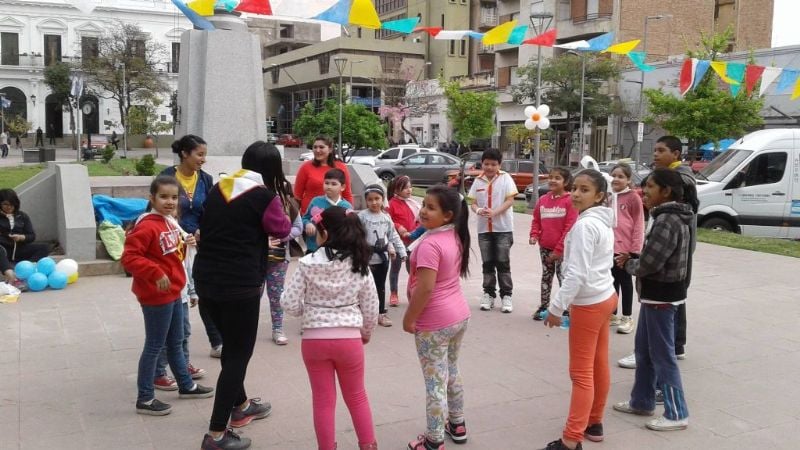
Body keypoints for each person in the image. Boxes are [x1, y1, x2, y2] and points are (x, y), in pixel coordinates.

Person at [193, 141, 291, 450]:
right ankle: (217, 434)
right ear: (272, 169)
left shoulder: (218, 187)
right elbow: (283, 229)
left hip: (206, 281)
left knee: (232, 350)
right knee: (237, 357)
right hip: (240, 286)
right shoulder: (264, 196)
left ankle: (242, 405)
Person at [281, 206, 380, 450]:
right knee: (357, 397)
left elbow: (289, 303)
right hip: (349, 341)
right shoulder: (360, 265)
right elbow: (371, 307)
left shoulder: (306, 263)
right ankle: (368, 445)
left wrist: (310, 313)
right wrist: (365, 333)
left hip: (314, 341)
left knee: (323, 401)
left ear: (325, 233)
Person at [121, 176, 215, 417]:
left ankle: (186, 384)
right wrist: (155, 272)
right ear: (152, 198)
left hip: (174, 291)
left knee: (176, 341)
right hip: (156, 296)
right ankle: (145, 398)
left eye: (174, 197)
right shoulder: (148, 225)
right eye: (163, 196)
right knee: (154, 345)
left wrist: (188, 241)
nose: (170, 201)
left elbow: (170, 252)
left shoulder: (170, 222)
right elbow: (130, 258)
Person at [541, 170, 618, 450]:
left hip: (589, 303)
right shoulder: (599, 220)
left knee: (581, 373)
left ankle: (571, 439)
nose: (575, 193)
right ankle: (593, 422)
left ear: (599, 196)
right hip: (604, 296)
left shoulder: (587, 225)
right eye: (574, 188)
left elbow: (575, 274)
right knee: (598, 363)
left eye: (584, 190)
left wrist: (556, 307)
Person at [613, 169, 692, 432]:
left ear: (666, 191)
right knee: (644, 351)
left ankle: (677, 412)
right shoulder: (666, 216)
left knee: (662, 355)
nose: (644, 192)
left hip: (662, 296)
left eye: (650, 187)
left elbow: (651, 263)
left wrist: (628, 263)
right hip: (655, 295)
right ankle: (642, 401)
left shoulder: (668, 219)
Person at [618, 136, 698, 368]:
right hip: (667, 270)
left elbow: (649, 265)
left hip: (663, 279)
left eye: (661, 150)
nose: (655, 154)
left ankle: (664, 356)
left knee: (661, 323)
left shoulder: (677, 187)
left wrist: (630, 264)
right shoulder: (667, 209)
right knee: (672, 304)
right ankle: (671, 347)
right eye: (654, 150)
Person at [403, 185, 471, 450]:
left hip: (435, 323)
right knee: (451, 372)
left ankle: (434, 440)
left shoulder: (431, 244)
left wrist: (410, 318)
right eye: (424, 205)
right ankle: (457, 423)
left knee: (435, 382)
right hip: (458, 316)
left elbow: (426, 288)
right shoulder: (455, 235)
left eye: (431, 208)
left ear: (448, 215)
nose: (423, 211)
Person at [159, 135, 223, 362]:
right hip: (174, 248)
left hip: (199, 246)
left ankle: (216, 341)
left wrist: (202, 230)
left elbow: (212, 210)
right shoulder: (167, 176)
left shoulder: (205, 179)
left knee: (205, 292)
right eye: (199, 154)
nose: (203, 159)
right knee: (178, 300)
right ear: (185, 154)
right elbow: (158, 211)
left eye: (205, 154)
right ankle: (168, 360)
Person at [260, 142, 302, 346]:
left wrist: (283, 236)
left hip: (279, 258)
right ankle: (246, 330)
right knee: (253, 295)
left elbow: (298, 227)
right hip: (257, 256)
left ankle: (278, 328)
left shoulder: (290, 204)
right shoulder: (258, 200)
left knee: (276, 294)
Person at [468, 148, 518, 313]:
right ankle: (488, 294)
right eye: (486, 164)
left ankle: (506, 295)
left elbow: (510, 200)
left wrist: (494, 213)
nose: (489, 167)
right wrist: (478, 210)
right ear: (482, 164)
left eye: (493, 164)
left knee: (503, 263)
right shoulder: (478, 181)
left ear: (499, 165)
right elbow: (473, 202)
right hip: (484, 230)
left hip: (503, 228)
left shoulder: (506, 178)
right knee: (487, 264)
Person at [530, 168, 578, 321]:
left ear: (566, 182)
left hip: (563, 250)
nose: (552, 180)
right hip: (544, 247)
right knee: (546, 276)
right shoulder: (543, 199)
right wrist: (534, 235)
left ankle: (565, 309)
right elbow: (536, 220)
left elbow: (569, 228)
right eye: (551, 177)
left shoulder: (570, 201)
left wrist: (558, 250)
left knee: (563, 277)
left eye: (557, 178)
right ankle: (544, 306)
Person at [358, 184, 407, 327]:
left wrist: (401, 252)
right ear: (366, 201)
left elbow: (393, 236)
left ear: (382, 199)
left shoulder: (386, 218)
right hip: (365, 258)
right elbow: (356, 236)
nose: (374, 202)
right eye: (370, 199)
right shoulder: (362, 217)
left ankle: (381, 314)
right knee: (364, 287)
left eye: (377, 199)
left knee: (380, 286)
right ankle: (362, 314)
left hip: (382, 259)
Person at [609, 163, 644, 334]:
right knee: (612, 281)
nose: (616, 179)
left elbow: (638, 224)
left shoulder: (632, 197)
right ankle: (613, 314)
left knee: (625, 282)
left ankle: (627, 317)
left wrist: (634, 250)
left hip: (625, 249)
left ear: (629, 180)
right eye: (614, 175)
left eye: (621, 176)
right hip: (609, 247)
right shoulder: (609, 196)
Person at [0, 188, 51, 289]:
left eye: (12, 204)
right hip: (3, 250)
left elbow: (31, 235)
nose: (9, 207)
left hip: (19, 249)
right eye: (5, 204)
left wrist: (21, 237)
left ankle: (26, 269)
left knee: (44, 247)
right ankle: (10, 274)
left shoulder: (22, 216)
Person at [294, 135, 353, 214]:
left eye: (321, 147)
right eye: (315, 147)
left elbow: (347, 194)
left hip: (336, 216)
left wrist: (350, 215)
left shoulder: (341, 167)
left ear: (330, 149)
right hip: (310, 218)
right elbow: (297, 196)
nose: (317, 150)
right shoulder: (305, 167)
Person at [386, 175, 420, 306]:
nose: (409, 190)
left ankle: (413, 292)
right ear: (396, 189)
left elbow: (419, 220)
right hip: (397, 242)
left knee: (412, 269)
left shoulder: (414, 204)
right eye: (405, 188)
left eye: (410, 187)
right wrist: (399, 227)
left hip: (412, 241)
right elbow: (388, 220)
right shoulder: (391, 204)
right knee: (395, 268)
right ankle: (394, 293)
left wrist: (415, 232)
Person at [302, 168, 353, 254]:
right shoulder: (315, 201)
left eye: (334, 184)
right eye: (326, 183)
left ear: (343, 187)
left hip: (337, 250)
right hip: (314, 248)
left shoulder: (346, 207)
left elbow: (350, 228)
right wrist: (308, 224)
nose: (329, 186)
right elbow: (305, 218)